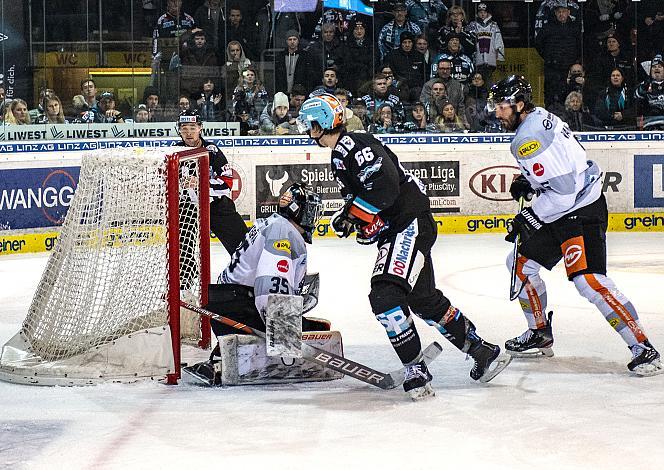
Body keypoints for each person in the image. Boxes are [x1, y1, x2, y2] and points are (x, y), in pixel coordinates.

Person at [296, 93, 511, 400]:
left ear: (324, 122)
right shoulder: (341, 154)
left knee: (385, 297)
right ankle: (482, 350)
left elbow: (384, 190)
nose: (308, 131)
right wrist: (352, 219)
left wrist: (354, 215)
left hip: (407, 226)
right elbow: (371, 198)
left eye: (311, 124)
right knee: (423, 300)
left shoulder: (354, 145)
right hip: (404, 226)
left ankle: (415, 368)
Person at [489, 75, 662, 376]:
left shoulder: (527, 140)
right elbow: (560, 169)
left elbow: (565, 191)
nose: (496, 112)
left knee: (589, 281)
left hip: (581, 210)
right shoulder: (539, 115)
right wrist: (528, 181)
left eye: (502, 106)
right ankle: (539, 331)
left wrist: (529, 216)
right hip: (562, 209)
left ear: (519, 105)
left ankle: (643, 347)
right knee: (519, 263)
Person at [189, 183, 330, 384]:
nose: (312, 218)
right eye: (310, 211)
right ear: (297, 210)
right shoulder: (283, 231)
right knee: (317, 333)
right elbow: (271, 282)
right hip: (237, 307)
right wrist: (283, 335)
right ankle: (229, 356)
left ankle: (226, 351)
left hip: (226, 304)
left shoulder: (272, 223)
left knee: (315, 327)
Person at [176, 109, 247, 255]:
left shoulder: (212, 151)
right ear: (179, 130)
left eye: (192, 128)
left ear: (200, 128)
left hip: (215, 205)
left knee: (244, 245)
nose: (188, 133)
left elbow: (227, 182)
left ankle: (247, 270)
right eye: (184, 128)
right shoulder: (174, 152)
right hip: (187, 207)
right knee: (182, 251)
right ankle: (186, 277)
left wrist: (201, 183)